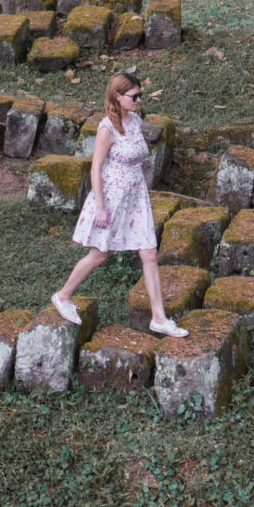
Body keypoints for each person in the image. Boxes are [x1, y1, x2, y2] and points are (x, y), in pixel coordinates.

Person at [49, 72, 188, 337]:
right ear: (117, 96)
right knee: (100, 253)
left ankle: (159, 318)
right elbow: (95, 169)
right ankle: (63, 296)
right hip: (112, 197)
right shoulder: (106, 128)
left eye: (140, 96)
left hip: (136, 196)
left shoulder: (135, 120)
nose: (138, 100)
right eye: (134, 96)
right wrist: (100, 207)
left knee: (149, 253)